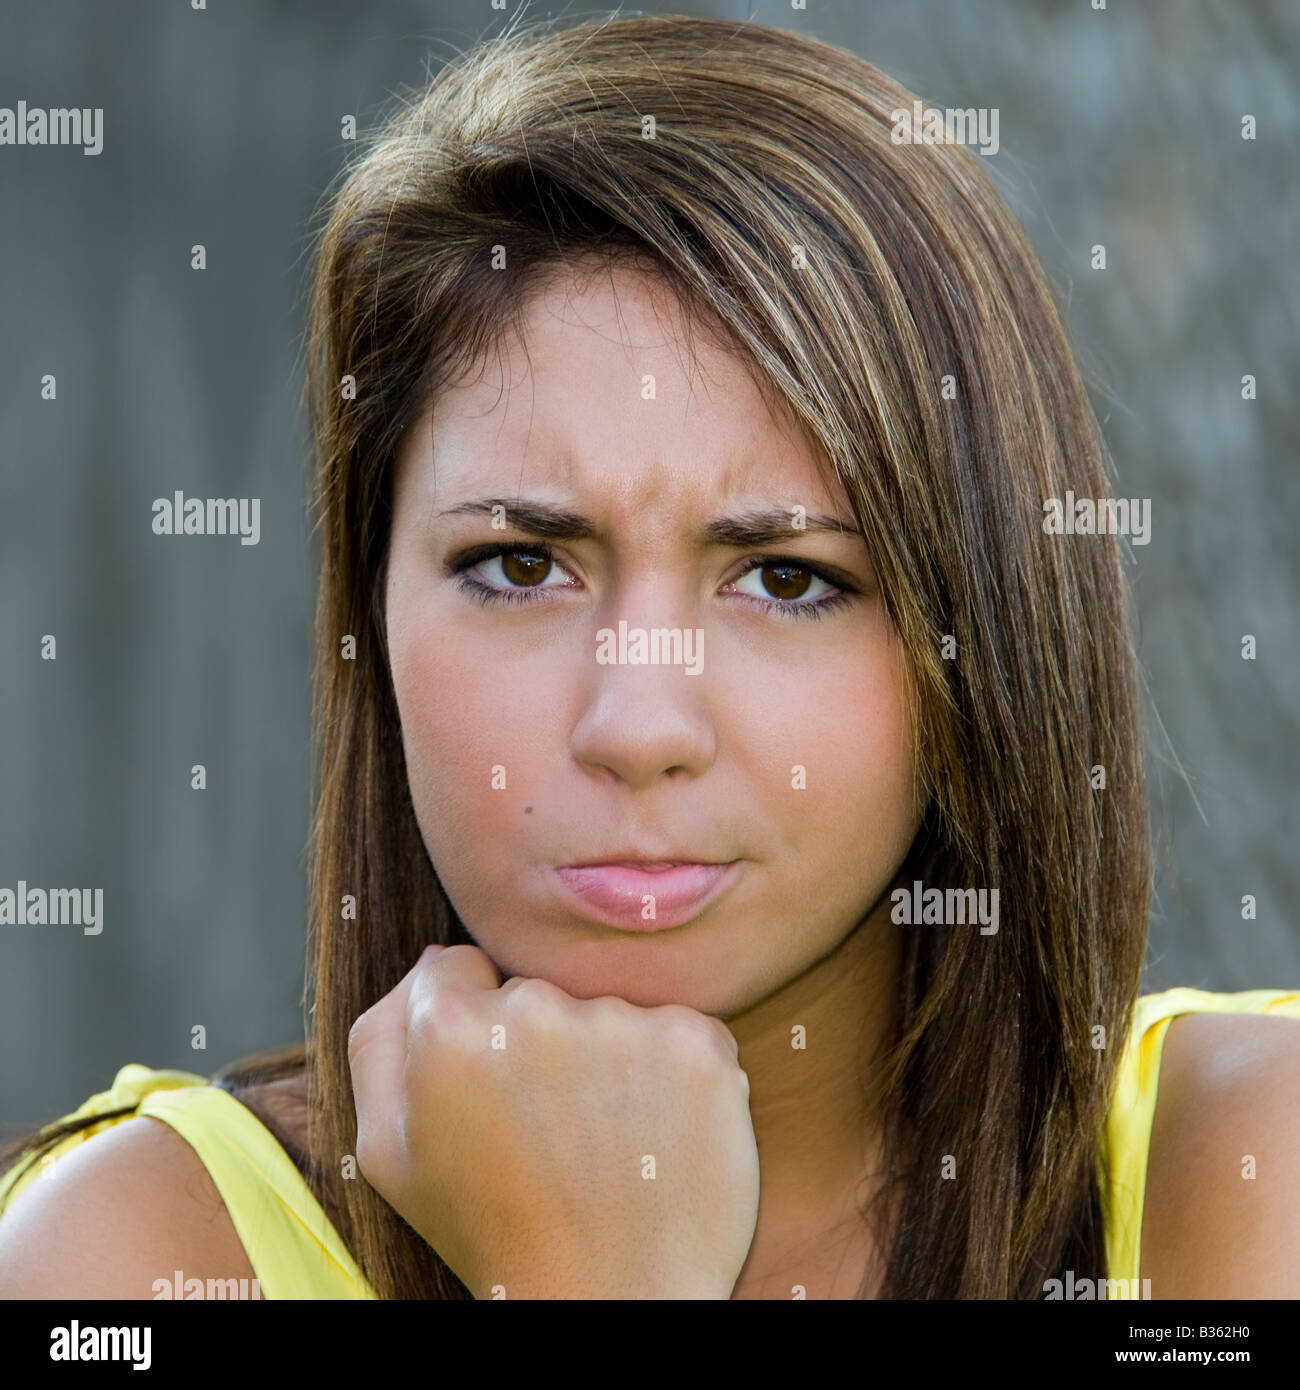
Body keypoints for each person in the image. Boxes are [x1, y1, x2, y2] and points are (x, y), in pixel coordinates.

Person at [2, 13, 1298, 1301]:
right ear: (370, 601)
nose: (635, 720)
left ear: (982, 636)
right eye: (519, 564)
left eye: (788, 579)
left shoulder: (1248, 1184)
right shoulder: (128, 1263)